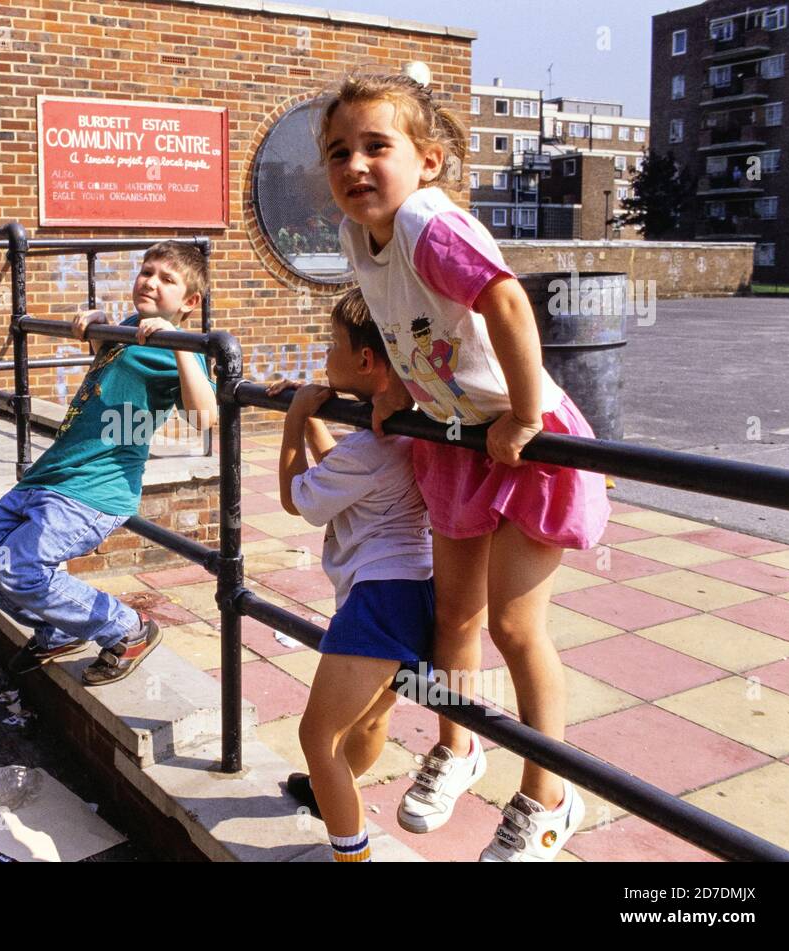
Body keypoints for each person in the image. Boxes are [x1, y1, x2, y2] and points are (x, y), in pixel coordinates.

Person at [316, 71, 609, 861]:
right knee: (454, 619)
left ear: (429, 160)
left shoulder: (424, 222)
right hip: (455, 440)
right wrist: (398, 393)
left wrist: (521, 411)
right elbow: (414, 325)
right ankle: (458, 746)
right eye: (338, 151)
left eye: (378, 145)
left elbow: (507, 304)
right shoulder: (358, 237)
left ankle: (547, 799)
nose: (355, 165)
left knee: (516, 626)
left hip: (523, 439)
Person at [0, 241, 217, 686]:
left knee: (20, 569)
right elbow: (116, 357)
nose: (150, 282)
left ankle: (126, 629)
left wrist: (178, 346)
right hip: (51, 474)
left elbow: (205, 417)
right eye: (146, 271)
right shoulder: (134, 326)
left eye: (166, 279)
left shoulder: (184, 346)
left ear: (190, 302)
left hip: (94, 487)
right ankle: (58, 631)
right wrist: (100, 324)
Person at [270, 288, 434, 863]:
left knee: (318, 736)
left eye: (334, 343)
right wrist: (317, 414)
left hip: (378, 599)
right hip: (420, 589)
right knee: (370, 717)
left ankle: (351, 853)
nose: (326, 351)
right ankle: (327, 793)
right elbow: (344, 466)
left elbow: (300, 500)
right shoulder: (408, 426)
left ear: (366, 361)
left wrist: (293, 421)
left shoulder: (370, 449)